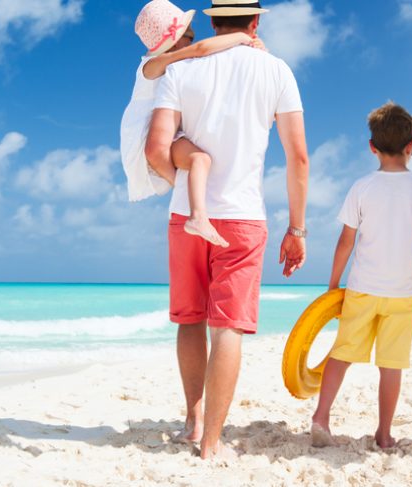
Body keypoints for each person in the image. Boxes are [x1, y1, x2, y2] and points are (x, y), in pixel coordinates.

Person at [144, 0, 310, 460]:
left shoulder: (179, 70)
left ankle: (193, 421)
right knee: (228, 329)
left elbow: (157, 150)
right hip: (242, 217)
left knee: (189, 318)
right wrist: (297, 227)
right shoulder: (276, 71)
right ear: (254, 22)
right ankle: (213, 442)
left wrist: (184, 186)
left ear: (212, 23)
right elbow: (297, 157)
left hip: (186, 216)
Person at [309, 103, 412, 449]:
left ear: (372, 147)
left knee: (343, 353)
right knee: (391, 365)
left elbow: (345, 242)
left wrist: (333, 287)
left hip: (363, 288)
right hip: (405, 293)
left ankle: (321, 417)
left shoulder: (362, 187)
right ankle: (383, 433)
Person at [121, 0, 262, 247]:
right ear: (175, 40)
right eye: (190, 35)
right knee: (200, 160)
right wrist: (243, 36)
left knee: (198, 164)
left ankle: (197, 213)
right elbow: (202, 50)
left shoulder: (173, 65)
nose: (194, 40)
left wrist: (254, 49)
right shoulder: (150, 65)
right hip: (146, 134)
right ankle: (198, 216)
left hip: (164, 129)